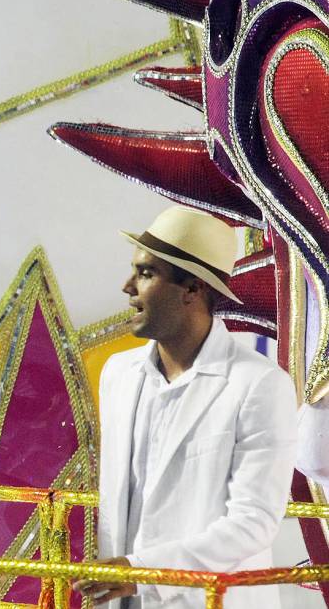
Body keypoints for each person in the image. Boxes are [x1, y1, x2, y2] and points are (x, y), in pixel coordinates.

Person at [73, 207, 297, 608]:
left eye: (146, 273)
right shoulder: (118, 374)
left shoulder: (260, 385)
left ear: (192, 289)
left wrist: (144, 571)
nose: (127, 286)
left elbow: (253, 523)